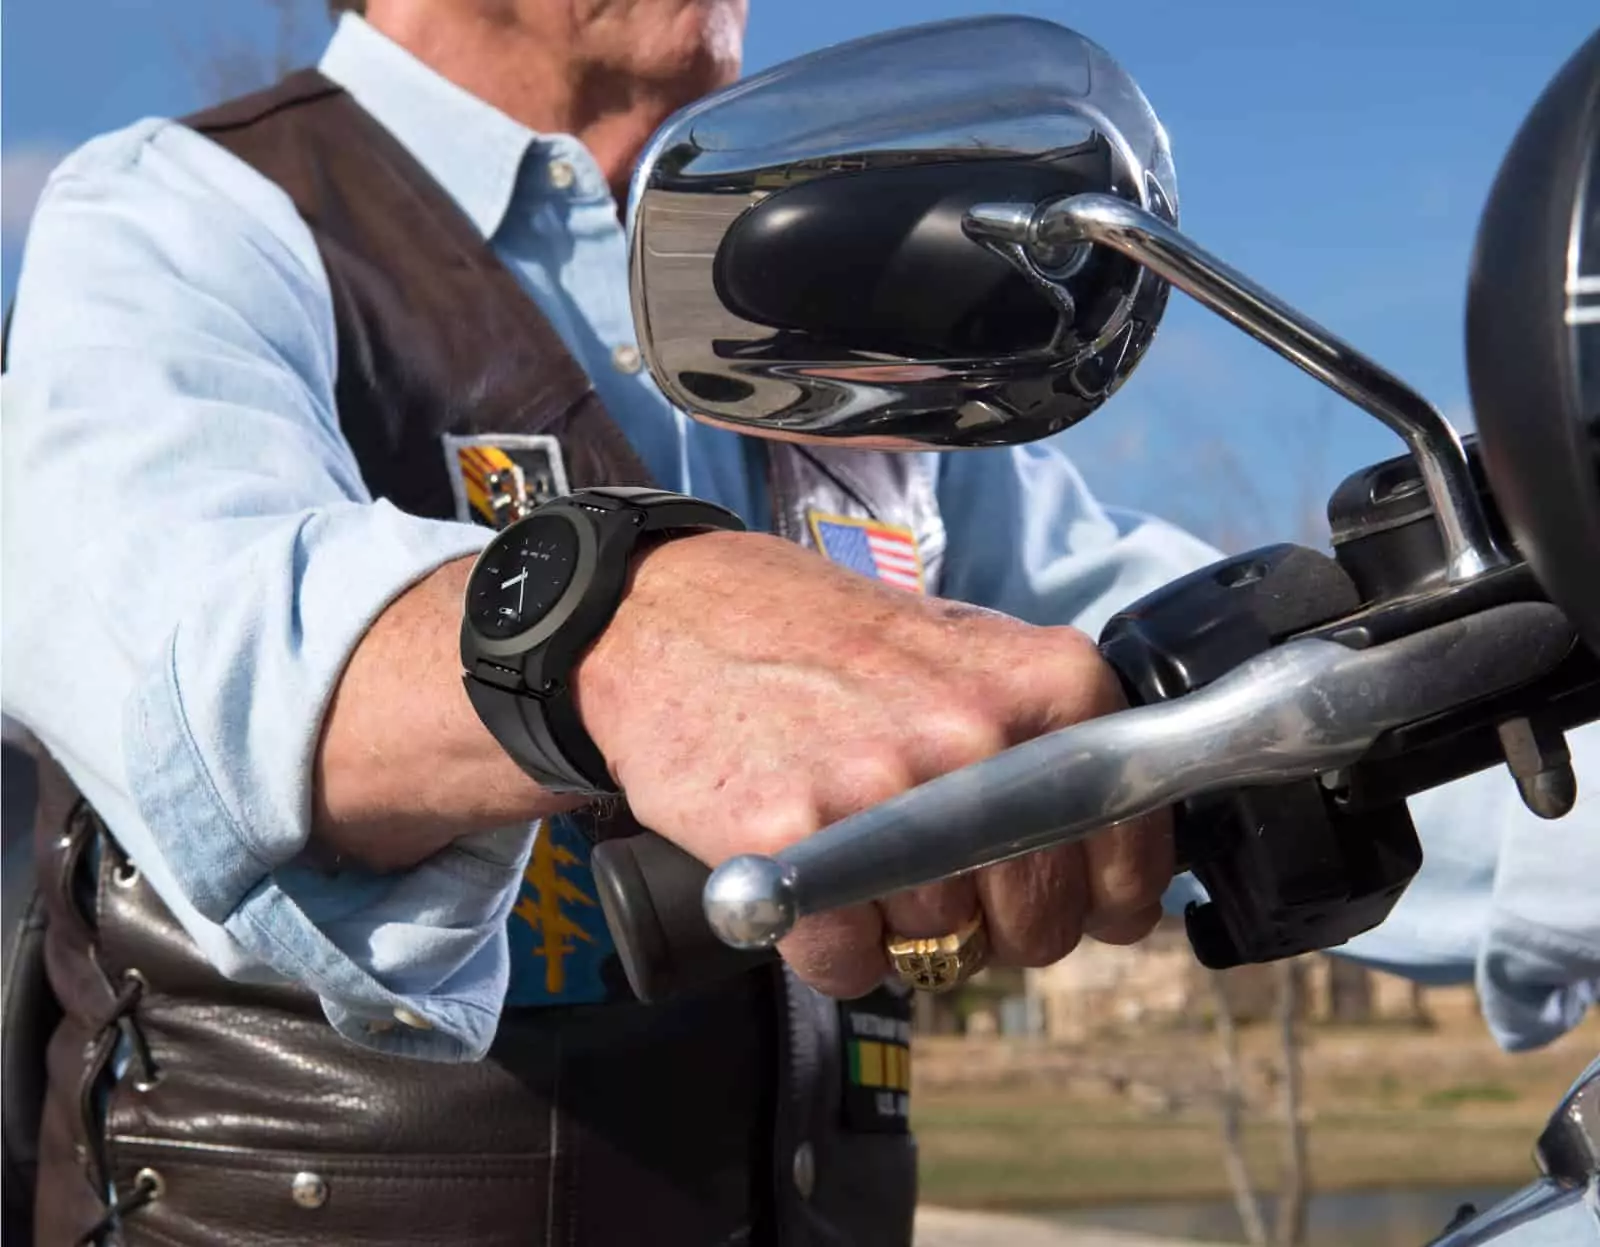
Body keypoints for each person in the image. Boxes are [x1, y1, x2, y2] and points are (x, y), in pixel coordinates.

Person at [3, 3, 1596, 1246]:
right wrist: (615, 629)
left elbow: (1149, 677)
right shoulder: (192, 208)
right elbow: (162, 611)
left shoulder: (812, 295)